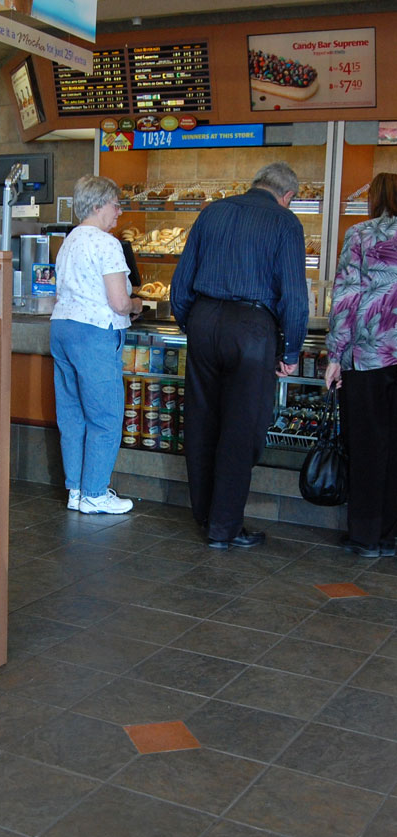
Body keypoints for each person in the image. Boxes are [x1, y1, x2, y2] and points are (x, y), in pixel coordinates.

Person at [170, 161, 308, 549]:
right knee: (240, 429)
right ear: (288, 196)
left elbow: (181, 282)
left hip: (203, 319)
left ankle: (205, 515)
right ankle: (223, 527)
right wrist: (291, 348)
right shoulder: (285, 223)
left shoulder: (212, 211)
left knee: (201, 423)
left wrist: (192, 323)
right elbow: (294, 296)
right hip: (251, 328)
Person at [50, 174, 142, 515]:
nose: (119, 212)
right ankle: (95, 493)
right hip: (94, 333)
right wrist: (137, 305)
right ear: (98, 205)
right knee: (105, 416)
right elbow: (119, 302)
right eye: (116, 205)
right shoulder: (106, 243)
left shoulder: (69, 241)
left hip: (62, 329)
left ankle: (76, 490)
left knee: (72, 416)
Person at [324, 171, 397, 558]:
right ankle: (392, 534)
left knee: (369, 447)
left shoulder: (361, 235)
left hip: (368, 355)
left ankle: (366, 536)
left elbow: (347, 297)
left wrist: (335, 356)